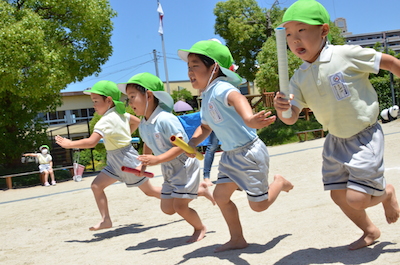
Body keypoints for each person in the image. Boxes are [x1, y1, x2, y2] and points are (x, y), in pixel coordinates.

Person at [273, 0, 400, 250]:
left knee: (356, 198)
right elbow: (291, 117)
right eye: (288, 34)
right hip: (334, 141)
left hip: (364, 135)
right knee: (338, 195)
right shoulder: (298, 77)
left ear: (323, 31)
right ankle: (370, 230)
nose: (295, 39)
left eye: (301, 30)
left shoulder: (345, 54)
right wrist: (283, 110)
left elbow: (391, 63)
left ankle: (386, 193)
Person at [177, 39, 293, 252]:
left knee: (259, 205)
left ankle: (279, 182)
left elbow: (237, 97)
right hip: (230, 156)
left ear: (213, 68)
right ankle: (237, 238)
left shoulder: (221, 87)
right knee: (221, 196)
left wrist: (249, 119)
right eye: (188, 67)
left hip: (250, 153)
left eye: (195, 66)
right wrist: (192, 143)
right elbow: (205, 126)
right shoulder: (206, 96)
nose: (190, 72)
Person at [118, 72, 215, 243]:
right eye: (128, 98)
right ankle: (201, 190)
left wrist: (158, 159)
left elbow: (183, 145)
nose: (130, 102)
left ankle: (200, 228)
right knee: (167, 208)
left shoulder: (165, 119)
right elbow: (147, 144)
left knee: (179, 206)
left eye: (133, 96)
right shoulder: (144, 124)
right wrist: (143, 165)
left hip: (184, 165)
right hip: (169, 168)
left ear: (149, 95)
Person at [55, 80, 161, 231]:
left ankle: (181, 196)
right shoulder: (121, 114)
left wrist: (69, 144)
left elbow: (92, 142)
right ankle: (106, 220)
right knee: (96, 186)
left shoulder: (105, 121)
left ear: (109, 100)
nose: (94, 105)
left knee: (150, 191)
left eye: (96, 101)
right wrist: (124, 136)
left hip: (126, 161)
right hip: (118, 159)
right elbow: (137, 121)